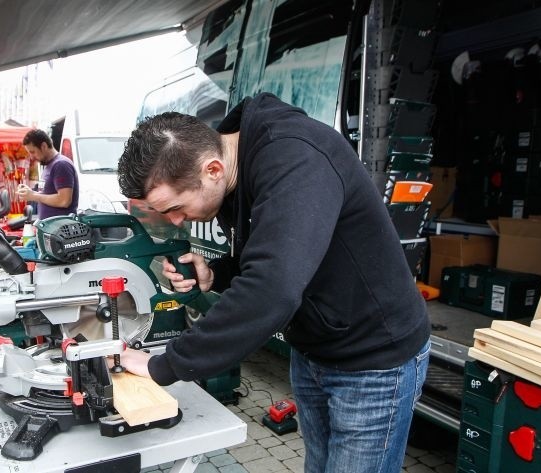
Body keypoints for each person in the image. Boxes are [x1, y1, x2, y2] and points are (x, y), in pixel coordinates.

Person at [116, 93, 430, 473]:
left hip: (373, 358)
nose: (178, 221)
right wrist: (217, 274)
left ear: (212, 169)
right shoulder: (238, 164)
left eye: (176, 208)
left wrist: (166, 365)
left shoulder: (295, 158)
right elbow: (273, 252)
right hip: (316, 349)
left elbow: (272, 288)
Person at [16, 129, 79, 219]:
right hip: (52, 228)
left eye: (32, 152)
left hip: (60, 229)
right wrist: (30, 192)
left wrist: (33, 196)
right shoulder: (51, 165)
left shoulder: (61, 164)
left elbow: (64, 200)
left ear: (44, 146)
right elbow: (47, 195)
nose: (31, 156)